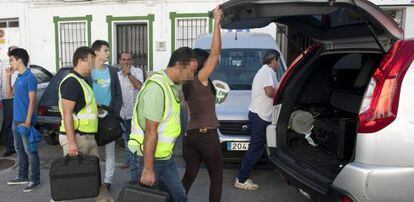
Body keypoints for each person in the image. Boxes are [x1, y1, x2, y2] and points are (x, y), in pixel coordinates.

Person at [128, 47, 198, 202]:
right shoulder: (157, 88)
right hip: (146, 159)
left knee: (179, 198)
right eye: (191, 71)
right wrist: (148, 168)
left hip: (165, 158)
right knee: (143, 199)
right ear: (179, 66)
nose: (192, 77)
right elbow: (150, 131)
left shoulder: (171, 86)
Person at [57, 46, 112, 202]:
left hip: (87, 138)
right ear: (80, 61)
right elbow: (67, 114)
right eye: (91, 62)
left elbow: (83, 109)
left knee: (95, 176)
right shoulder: (71, 82)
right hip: (77, 138)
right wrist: (72, 142)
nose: (93, 66)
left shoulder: (82, 82)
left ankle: (105, 200)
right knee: (69, 181)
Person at [181, 6, 223, 202]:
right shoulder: (201, 77)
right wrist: (216, 23)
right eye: (206, 63)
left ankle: (176, 199)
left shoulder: (187, 82)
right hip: (207, 136)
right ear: (200, 63)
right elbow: (215, 53)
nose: (211, 65)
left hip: (191, 136)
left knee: (189, 176)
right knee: (217, 178)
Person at [234, 50, 280, 190]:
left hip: (262, 114)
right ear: (273, 60)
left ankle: (280, 172)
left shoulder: (265, 71)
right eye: (277, 61)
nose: (277, 64)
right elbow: (269, 92)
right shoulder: (267, 71)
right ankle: (241, 179)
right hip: (261, 115)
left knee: (262, 146)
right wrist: (283, 93)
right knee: (256, 148)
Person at [5, 48, 40, 192]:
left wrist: (27, 121)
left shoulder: (30, 77)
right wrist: (7, 76)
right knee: (19, 149)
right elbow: (9, 94)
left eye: (12, 60)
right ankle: (22, 176)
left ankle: (34, 179)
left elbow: (32, 102)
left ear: (20, 60)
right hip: (16, 120)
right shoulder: (18, 76)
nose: (10, 63)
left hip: (25, 121)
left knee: (30, 151)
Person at [91, 40, 123, 191]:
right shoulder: (88, 71)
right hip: (91, 119)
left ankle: (108, 181)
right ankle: (94, 180)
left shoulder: (111, 71)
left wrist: (114, 112)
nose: (108, 53)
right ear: (96, 52)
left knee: (110, 151)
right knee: (93, 152)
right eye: (105, 50)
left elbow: (117, 94)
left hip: (108, 118)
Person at [117, 51, 144, 171]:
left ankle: (135, 163)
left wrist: (128, 74)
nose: (126, 62)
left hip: (135, 113)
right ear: (120, 61)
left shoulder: (137, 72)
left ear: (132, 61)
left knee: (135, 139)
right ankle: (129, 161)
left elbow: (139, 86)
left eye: (128, 59)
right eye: (123, 59)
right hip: (123, 113)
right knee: (126, 139)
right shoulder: (116, 75)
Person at [1, 46, 19, 157]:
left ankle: (18, 146)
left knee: (18, 122)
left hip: (18, 98)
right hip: (7, 99)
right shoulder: (3, 64)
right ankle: (10, 147)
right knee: (8, 123)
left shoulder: (21, 64)